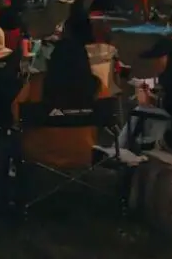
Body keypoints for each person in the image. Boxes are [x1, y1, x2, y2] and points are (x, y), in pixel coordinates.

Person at [12, 39, 110, 168]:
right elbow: (107, 116)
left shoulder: (37, 84)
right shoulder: (97, 87)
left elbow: (16, 112)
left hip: (39, 161)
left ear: (53, 60)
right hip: (83, 158)